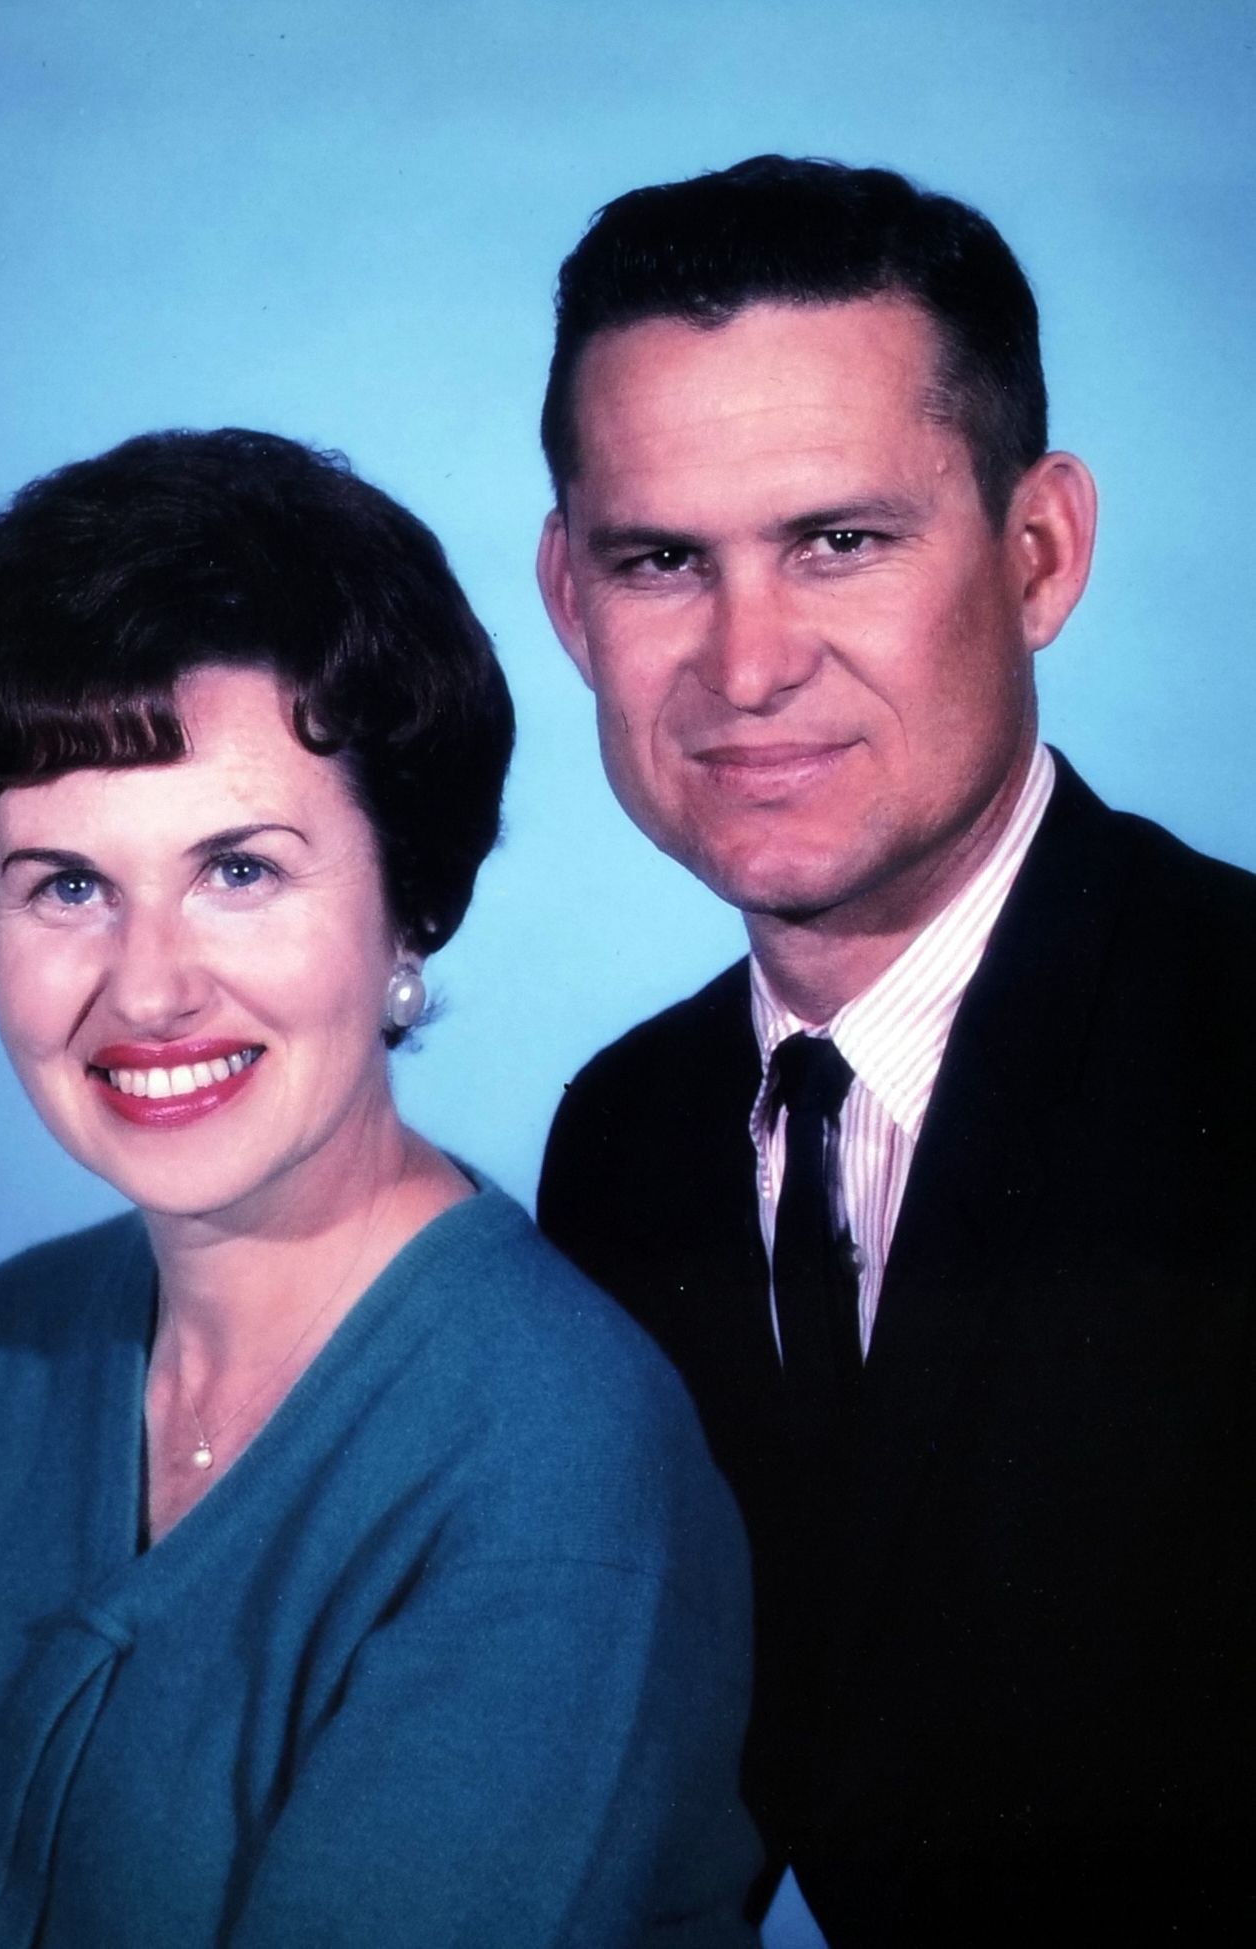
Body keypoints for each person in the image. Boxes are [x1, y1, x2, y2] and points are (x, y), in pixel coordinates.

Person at [0, 427, 762, 1947]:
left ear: (409, 907)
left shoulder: (552, 1473)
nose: (148, 987)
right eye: (66, 884)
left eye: (241, 870)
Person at [534, 157, 1256, 1946]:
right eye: (661, 561)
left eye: (839, 542)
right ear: (567, 597)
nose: (747, 665)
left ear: (1040, 553)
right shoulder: (626, 1137)